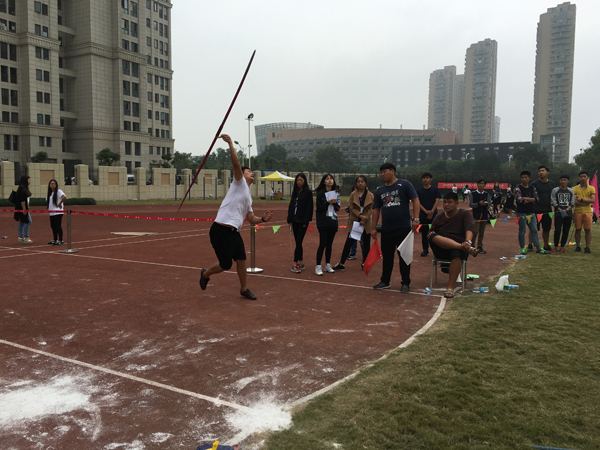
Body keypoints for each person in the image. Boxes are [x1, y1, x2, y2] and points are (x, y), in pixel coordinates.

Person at [199, 134, 274, 300]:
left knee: (241, 260)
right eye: (249, 171)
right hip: (220, 229)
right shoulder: (239, 183)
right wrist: (231, 145)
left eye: (252, 172)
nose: (251, 173)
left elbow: (251, 218)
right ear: (242, 174)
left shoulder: (248, 197)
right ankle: (205, 274)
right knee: (225, 265)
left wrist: (262, 219)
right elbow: (236, 165)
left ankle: (244, 289)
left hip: (234, 232)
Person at [371, 163, 420, 292]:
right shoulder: (380, 190)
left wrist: (416, 219)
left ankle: (405, 282)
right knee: (387, 257)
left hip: (403, 228)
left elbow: (415, 200)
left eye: (385, 171)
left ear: (392, 171)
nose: (382, 174)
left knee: (404, 256)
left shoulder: (404, 184)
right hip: (386, 229)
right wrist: (373, 228)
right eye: (381, 172)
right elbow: (376, 209)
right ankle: (385, 281)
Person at [428, 192, 479, 299]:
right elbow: (431, 232)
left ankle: (450, 287)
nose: (446, 205)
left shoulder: (465, 214)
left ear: (457, 203)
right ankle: (466, 248)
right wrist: (464, 246)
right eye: (444, 202)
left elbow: (469, 228)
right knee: (432, 236)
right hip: (441, 249)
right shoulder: (439, 217)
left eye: (449, 202)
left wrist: (468, 241)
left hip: (458, 250)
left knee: (457, 253)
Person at [333, 175, 373, 271]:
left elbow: (371, 208)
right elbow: (351, 208)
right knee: (349, 242)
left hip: (366, 221)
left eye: (362, 181)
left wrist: (365, 217)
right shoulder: (353, 194)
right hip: (356, 221)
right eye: (358, 182)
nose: (360, 183)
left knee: (366, 243)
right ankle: (341, 264)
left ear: (365, 183)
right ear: (356, 183)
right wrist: (360, 215)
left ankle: (365, 263)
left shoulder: (370, 195)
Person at [514, 171, 550, 255]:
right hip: (521, 213)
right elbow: (520, 201)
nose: (524, 179)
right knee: (522, 231)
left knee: (534, 230)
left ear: (529, 178)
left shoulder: (532, 188)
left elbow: (536, 199)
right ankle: (522, 249)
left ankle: (538, 248)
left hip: (531, 212)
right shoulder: (517, 188)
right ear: (520, 178)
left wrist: (526, 198)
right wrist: (531, 200)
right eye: (522, 177)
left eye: (526, 177)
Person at [287, 173, 313, 273]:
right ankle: (301, 262)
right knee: (298, 242)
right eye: (297, 180)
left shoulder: (308, 193)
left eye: (301, 180)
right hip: (294, 220)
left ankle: (295, 263)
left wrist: (306, 221)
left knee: (298, 241)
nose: (299, 182)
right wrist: (289, 219)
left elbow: (309, 208)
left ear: (304, 181)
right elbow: (291, 206)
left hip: (302, 221)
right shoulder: (295, 192)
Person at [314, 173, 340, 275]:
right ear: (324, 181)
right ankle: (318, 266)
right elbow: (319, 208)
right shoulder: (321, 193)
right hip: (323, 222)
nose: (329, 180)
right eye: (327, 179)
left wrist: (334, 202)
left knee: (329, 244)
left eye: (331, 178)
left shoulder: (336, 193)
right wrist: (328, 202)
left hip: (333, 221)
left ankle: (327, 264)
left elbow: (337, 208)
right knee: (322, 244)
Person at [530, 165, 555, 251]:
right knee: (533, 228)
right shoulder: (534, 184)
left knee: (546, 229)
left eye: (543, 171)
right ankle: (530, 244)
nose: (541, 172)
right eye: (539, 171)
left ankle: (546, 245)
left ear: (547, 172)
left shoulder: (551, 183)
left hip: (547, 210)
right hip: (536, 209)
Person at [416, 172, 441, 257]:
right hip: (423, 215)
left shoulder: (435, 190)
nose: (425, 179)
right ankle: (425, 249)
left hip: (434, 216)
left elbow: (437, 200)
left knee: (434, 233)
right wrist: (426, 211)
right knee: (424, 234)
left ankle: (436, 250)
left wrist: (432, 211)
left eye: (427, 178)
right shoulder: (419, 191)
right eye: (424, 178)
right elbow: (417, 202)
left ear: (431, 179)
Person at [572, 171, 596, 253]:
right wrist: (586, 201)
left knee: (588, 230)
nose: (582, 178)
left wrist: (581, 200)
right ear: (579, 178)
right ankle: (578, 246)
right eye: (581, 177)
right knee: (578, 229)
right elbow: (575, 201)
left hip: (588, 211)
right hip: (577, 211)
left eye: (584, 176)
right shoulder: (574, 188)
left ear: (587, 178)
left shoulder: (591, 188)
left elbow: (592, 200)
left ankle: (587, 247)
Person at [550, 175, 575, 253]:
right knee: (557, 230)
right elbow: (553, 201)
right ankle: (555, 246)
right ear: (559, 181)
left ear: (568, 181)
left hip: (568, 213)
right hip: (558, 213)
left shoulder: (571, 190)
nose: (563, 181)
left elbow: (572, 202)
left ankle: (562, 246)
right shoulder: (555, 190)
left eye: (565, 180)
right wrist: (560, 210)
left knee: (566, 230)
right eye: (561, 180)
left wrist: (566, 210)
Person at [469, 179, 490, 254]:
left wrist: (486, 204)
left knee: (482, 232)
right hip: (476, 215)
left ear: (485, 185)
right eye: (480, 183)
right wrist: (478, 204)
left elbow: (489, 203)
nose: (481, 185)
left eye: (483, 183)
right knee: (475, 231)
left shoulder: (486, 194)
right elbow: (471, 204)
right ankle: (472, 246)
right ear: (477, 185)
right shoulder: (473, 193)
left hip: (484, 215)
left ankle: (480, 246)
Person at [46, 179, 67, 245]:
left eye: (54, 184)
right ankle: (55, 239)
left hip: (58, 212)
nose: (52, 185)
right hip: (51, 212)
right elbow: (46, 200)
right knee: (53, 226)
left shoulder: (58, 191)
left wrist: (60, 203)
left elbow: (64, 196)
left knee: (58, 226)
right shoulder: (50, 193)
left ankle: (60, 240)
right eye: (51, 184)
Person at [15, 175, 33, 244]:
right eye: (28, 180)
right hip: (22, 209)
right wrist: (24, 209)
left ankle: (20, 237)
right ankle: (26, 237)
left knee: (22, 222)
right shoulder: (22, 189)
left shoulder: (22, 188)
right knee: (28, 221)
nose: (29, 181)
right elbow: (22, 200)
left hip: (21, 208)